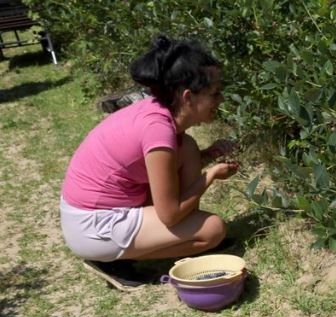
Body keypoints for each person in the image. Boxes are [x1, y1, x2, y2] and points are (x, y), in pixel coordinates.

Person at [59, 35, 238, 291]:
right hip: (92, 226)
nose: (220, 100)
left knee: (187, 147)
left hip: (95, 212)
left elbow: (163, 169)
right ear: (187, 97)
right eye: (215, 93)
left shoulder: (158, 113)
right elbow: (170, 213)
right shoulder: (158, 131)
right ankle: (111, 260)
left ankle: (137, 246)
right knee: (213, 230)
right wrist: (209, 176)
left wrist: (208, 154)